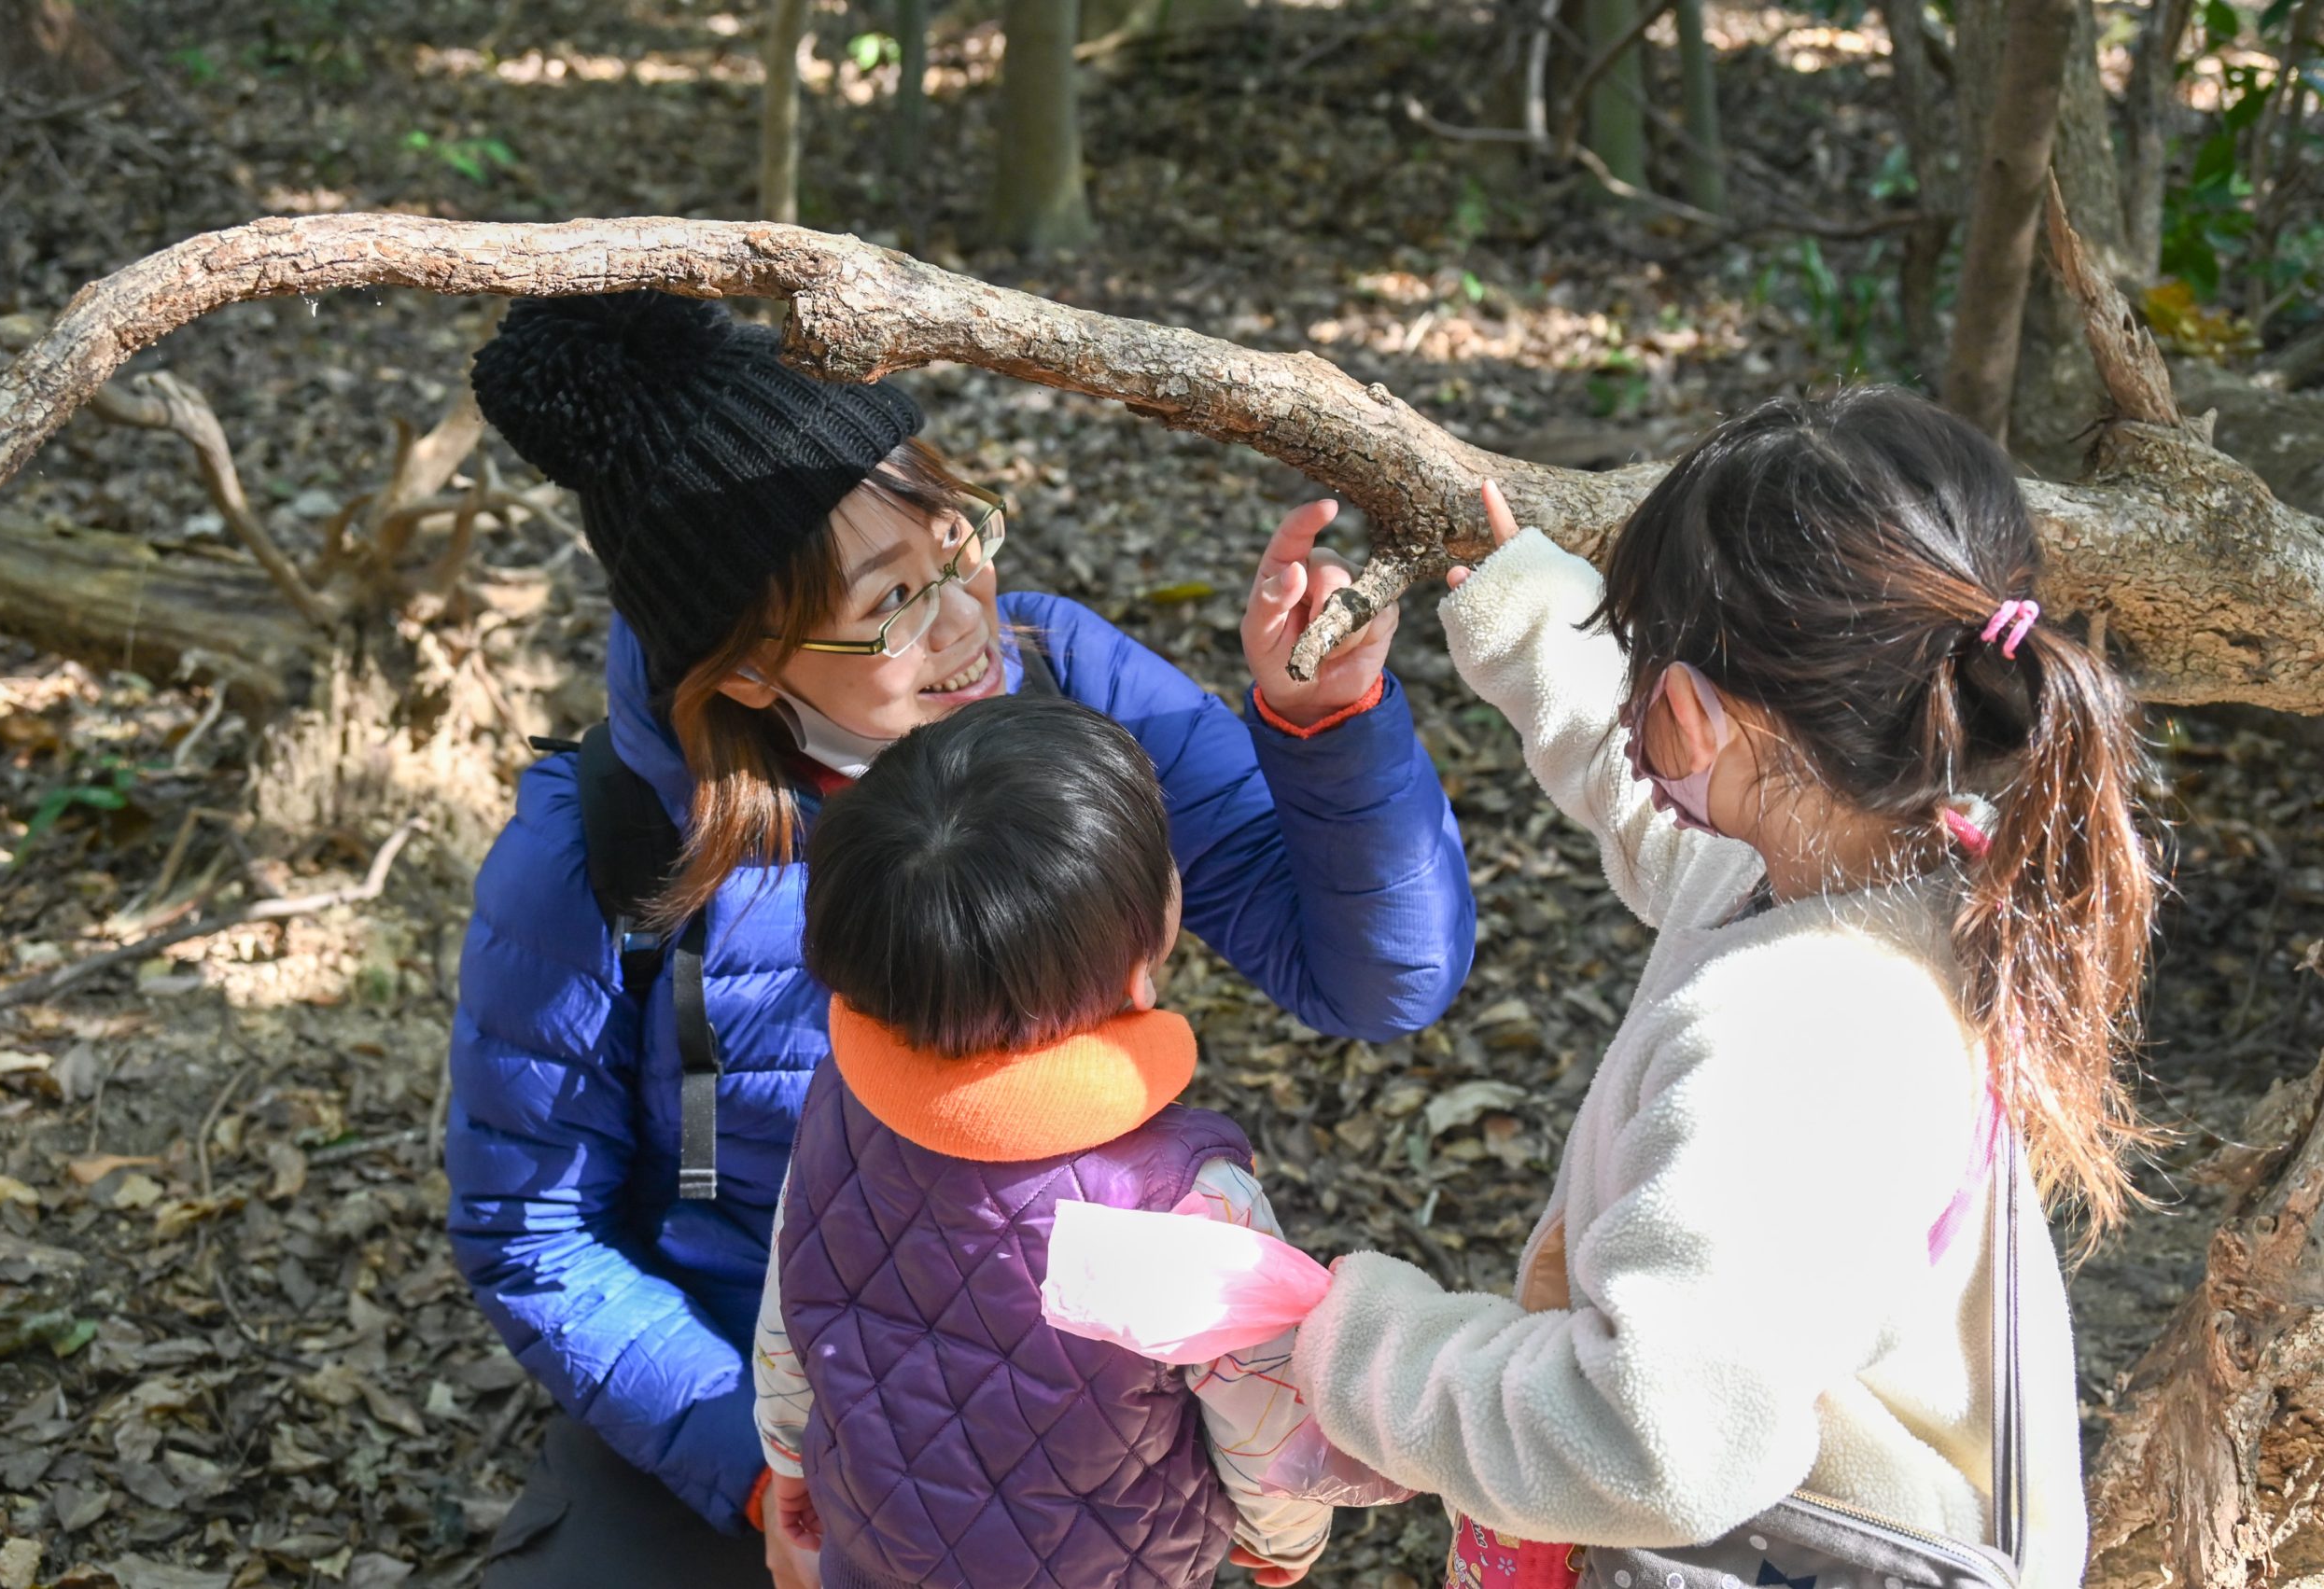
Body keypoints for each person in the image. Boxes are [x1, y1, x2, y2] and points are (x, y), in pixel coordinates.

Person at [445, 290, 1477, 1587]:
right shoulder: (601, 844)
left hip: (1065, 1392)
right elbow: (533, 1231)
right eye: (892, 601)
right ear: (750, 668)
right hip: (751, 1383)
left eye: (956, 541)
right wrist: (764, 1467)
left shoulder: (1064, 683)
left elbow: (1384, 976)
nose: (966, 615)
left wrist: (1327, 724)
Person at [1291, 388, 2156, 1589]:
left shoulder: (1800, 1037)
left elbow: (1649, 1444)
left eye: (1643, 654)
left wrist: (1348, 1345)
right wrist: (1523, 605)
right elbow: (1670, 816)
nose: (1636, 686)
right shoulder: (1915, 862)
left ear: (1693, 710)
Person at [752, 691, 1332, 1589]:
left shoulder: (845, 1097)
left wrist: (787, 1453)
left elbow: (791, 1299)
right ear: (1143, 964)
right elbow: (1268, 1418)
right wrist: (1283, 1540)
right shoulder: (1186, 1200)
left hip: (878, 1550)